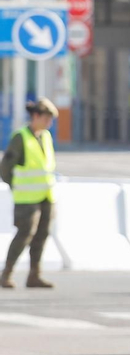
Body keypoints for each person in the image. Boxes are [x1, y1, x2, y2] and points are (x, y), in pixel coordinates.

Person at [1, 99, 59, 288]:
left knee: (42, 235)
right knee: (24, 235)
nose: (49, 123)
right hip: (26, 197)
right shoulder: (20, 137)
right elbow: (5, 168)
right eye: (46, 118)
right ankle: (6, 273)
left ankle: (35, 274)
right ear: (36, 116)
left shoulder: (46, 136)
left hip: (45, 196)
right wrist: (16, 186)